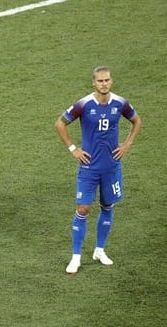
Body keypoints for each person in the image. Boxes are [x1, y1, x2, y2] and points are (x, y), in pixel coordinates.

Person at [55, 66, 141, 274]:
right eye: (100, 81)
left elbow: (136, 121)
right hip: (89, 167)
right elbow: (60, 123)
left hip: (111, 167)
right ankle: (76, 256)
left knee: (107, 205)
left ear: (111, 81)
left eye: (107, 80)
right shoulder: (83, 105)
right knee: (83, 208)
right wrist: (73, 149)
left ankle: (99, 250)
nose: (104, 84)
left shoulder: (120, 103)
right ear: (93, 83)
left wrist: (127, 144)